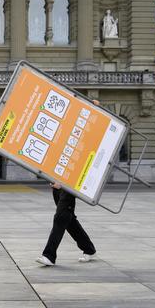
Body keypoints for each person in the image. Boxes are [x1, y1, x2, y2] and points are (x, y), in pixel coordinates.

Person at [36, 99, 100, 266]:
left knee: (60, 218)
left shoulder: (89, 136)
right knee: (68, 219)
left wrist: (63, 183)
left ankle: (49, 255)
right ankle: (88, 248)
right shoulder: (69, 131)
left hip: (70, 184)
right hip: (58, 182)